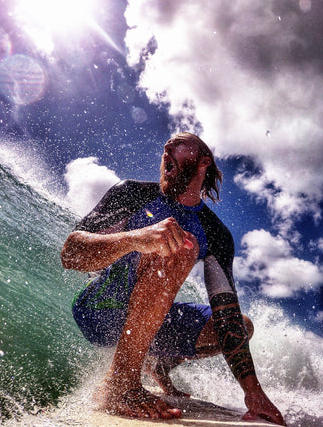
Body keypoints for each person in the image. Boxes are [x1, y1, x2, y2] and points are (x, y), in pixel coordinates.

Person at [61, 132, 285, 424]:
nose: (167, 147)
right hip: (101, 309)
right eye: (167, 144)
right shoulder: (133, 193)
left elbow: (226, 314)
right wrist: (135, 239)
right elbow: (71, 254)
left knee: (241, 326)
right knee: (179, 248)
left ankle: (160, 367)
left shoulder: (216, 234)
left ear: (204, 161)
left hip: (149, 321)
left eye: (179, 143)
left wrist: (253, 394)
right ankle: (121, 385)